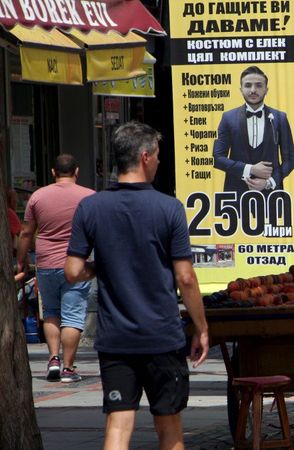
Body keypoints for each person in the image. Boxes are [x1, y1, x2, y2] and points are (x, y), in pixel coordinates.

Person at [64, 122, 209, 449]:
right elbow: (185, 277)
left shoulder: (91, 207)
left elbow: (72, 271)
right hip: (161, 336)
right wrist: (201, 328)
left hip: (115, 338)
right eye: (157, 155)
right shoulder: (169, 208)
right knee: (169, 427)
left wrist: (101, 267)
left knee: (118, 423)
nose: (159, 161)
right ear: (145, 157)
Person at [15, 155, 94, 382]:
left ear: (53, 172)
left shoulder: (38, 197)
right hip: (77, 263)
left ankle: (53, 359)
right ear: (76, 171)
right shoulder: (89, 197)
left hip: (46, 262)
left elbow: (27, 232)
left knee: (50, 312)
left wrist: (21, 260)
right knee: (73, 316)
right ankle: (68, 368)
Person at [213, 66, 294, 198]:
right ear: (241, 89)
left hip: (271, 196)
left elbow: (290, 160)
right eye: (248, 85)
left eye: (258, 85)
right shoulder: (228, 117)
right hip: (235, 196)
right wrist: (250, 169)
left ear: (266, 89)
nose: (253, 90)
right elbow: (218, 158)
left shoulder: (280, 118)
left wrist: (269, 182)